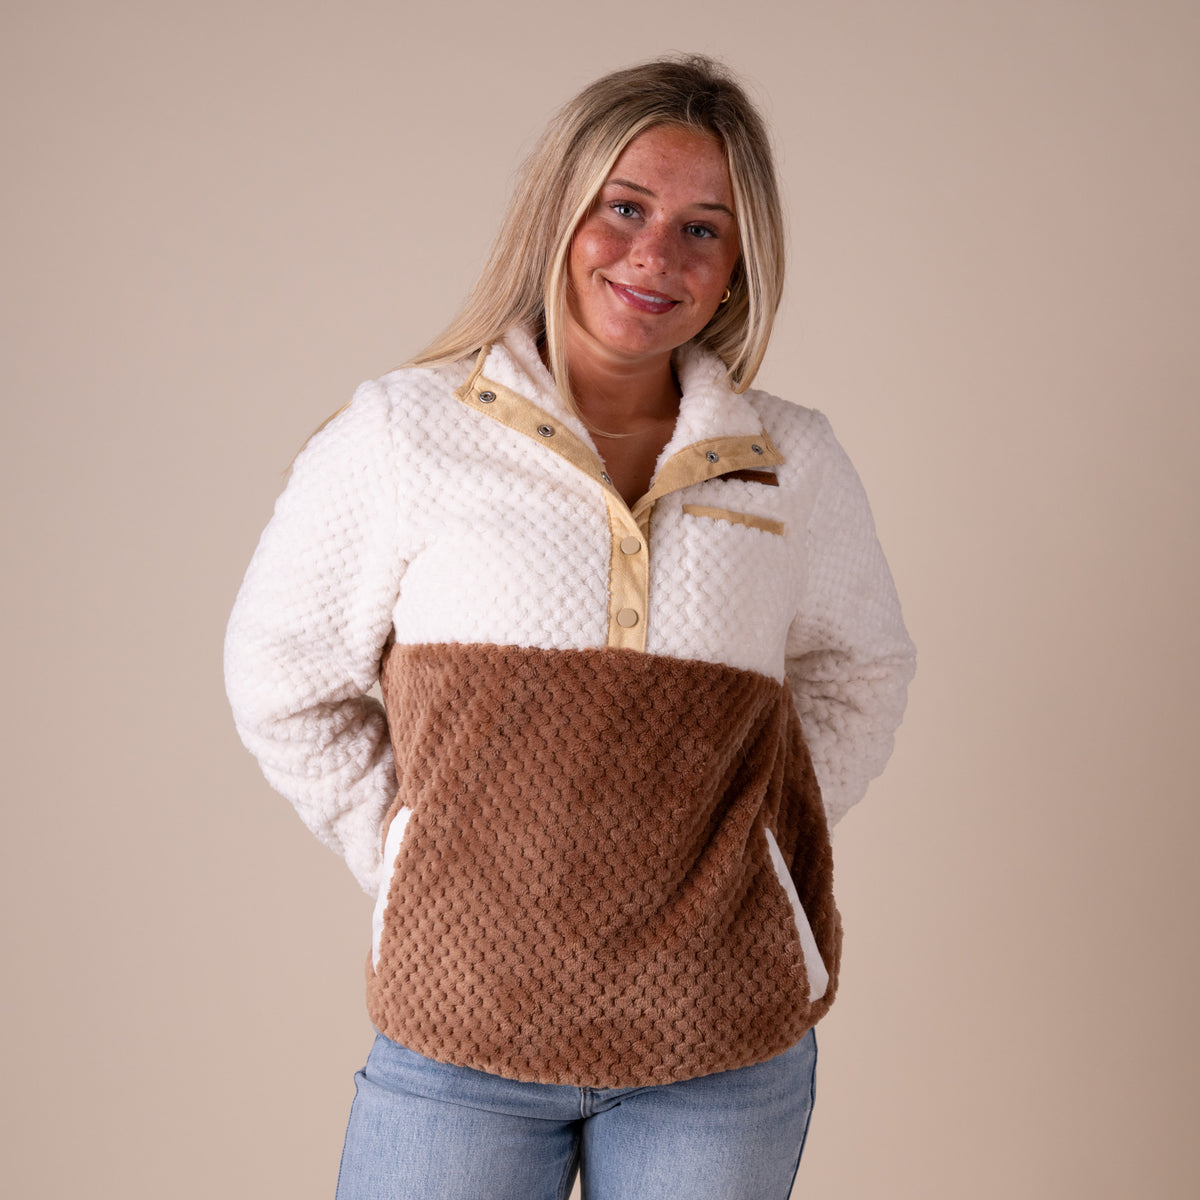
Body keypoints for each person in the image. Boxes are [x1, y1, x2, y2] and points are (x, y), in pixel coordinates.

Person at [224, 53, 915, 1200]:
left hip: (722, 1050)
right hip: (460, 1038)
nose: (656, 255)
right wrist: (415, 854)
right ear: (560, 212)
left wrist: (749, 856)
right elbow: (281, 678)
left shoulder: (793, 463)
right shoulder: (403, 432)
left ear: (741, 267)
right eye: (626, 208)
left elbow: (861, 668)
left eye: (705, 229)